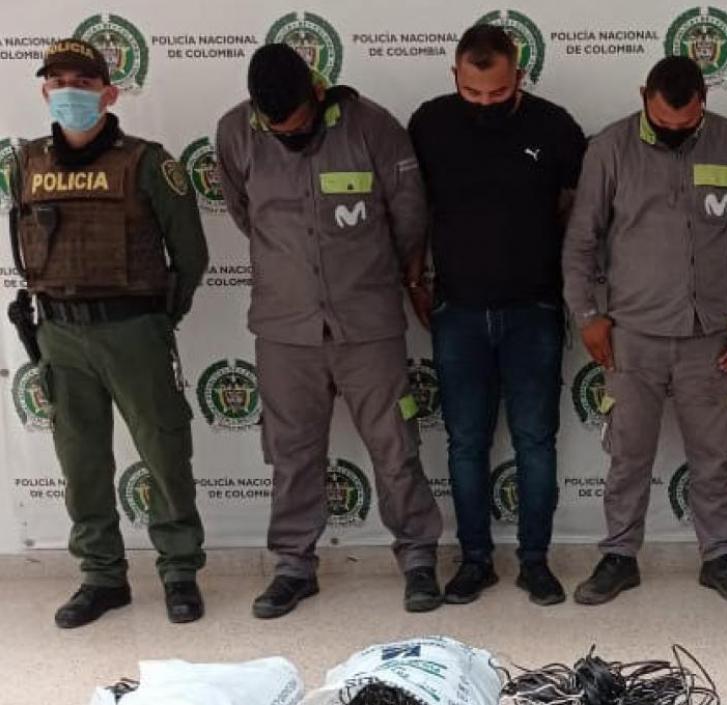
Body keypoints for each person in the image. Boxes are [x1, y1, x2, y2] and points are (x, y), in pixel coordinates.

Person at [215, 44, 443, 618]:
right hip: (284, 329)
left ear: (317, 94)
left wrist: (369, 274)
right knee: (290, 453)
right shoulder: (235, 132)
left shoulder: (371, 126)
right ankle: (294, 566)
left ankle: (418, 558)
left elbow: (409, 212)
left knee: (395, 447)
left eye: (296, 127)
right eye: (277, 129)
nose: (287, 137)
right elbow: (246, 214)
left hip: (367, 325)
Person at [9, 39, 209, 628]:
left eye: (83, 80)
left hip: (133, 329)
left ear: (109, 92)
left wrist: (156, 320)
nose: (69, 89)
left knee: (164, 453)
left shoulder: (149, 162)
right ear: (45, 90)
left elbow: (190, 256)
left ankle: (179, 572)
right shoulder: (25, 162)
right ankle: (101, 577)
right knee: (81, 462)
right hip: (61, 334)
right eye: (58, 80)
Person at [563, 56, 727, 605]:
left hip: (711, 336)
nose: (676, 135)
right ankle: (619, 556)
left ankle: (719, 557)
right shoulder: (610, 148)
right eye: (663, 126)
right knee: (628, 453)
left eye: (687, 127)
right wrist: (587, 316)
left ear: (705, 101)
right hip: (633, 333)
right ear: (643, 97)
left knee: (713, 453)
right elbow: (581, 240)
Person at [407, 25, 586, 607]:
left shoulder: (555, 126)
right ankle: (475, 561)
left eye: (498, 92)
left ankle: (535, 561)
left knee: (536, 441)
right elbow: (414, 210)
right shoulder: (429, 123)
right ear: (455, 77)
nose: (485, 103)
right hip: (457, 310)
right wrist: (416, 278)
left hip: (533, 308)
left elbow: (575, 213)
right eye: (473, 92)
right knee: (464, 444)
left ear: (519, 77)